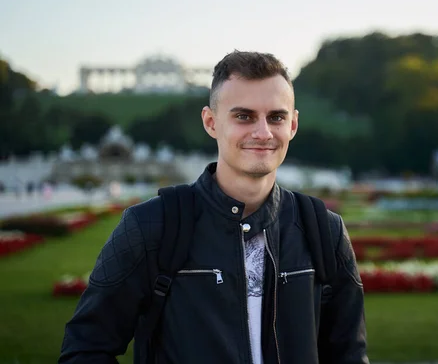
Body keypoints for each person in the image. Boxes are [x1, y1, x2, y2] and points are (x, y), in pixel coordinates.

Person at [58, 51, 369, 364]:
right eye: (244, 116)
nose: (263, 133)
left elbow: (349, 355)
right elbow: (85, 349)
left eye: (276, 117)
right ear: (211, 122)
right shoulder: (151, 225)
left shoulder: (324, 229)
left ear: (293, 125)